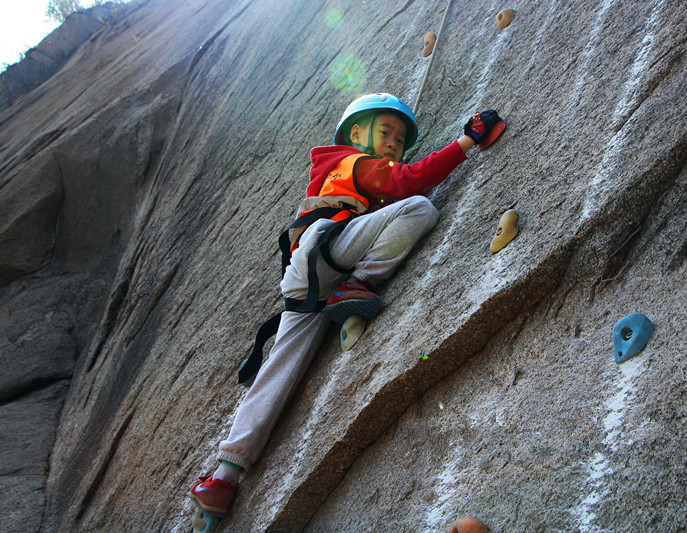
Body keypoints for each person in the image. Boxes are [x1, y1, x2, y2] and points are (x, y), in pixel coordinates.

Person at [188, 93, 503, 519]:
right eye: (385, 132)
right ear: (356, 134)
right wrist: (466, 141)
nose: (393, 142)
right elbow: (408, 181)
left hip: (306, 283)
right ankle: (358, 286)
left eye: (399, 138)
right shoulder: (351, 161)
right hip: (329, 251)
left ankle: (224, 478)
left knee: (279, 370)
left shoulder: (346, 173)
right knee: (420, 208)